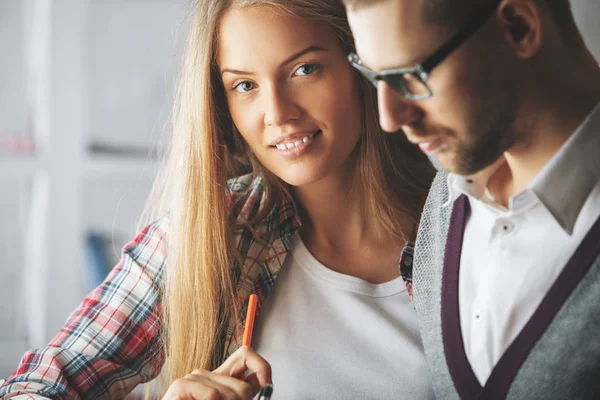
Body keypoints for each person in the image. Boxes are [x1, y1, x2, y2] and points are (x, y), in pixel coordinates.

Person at [0, 1, 437, 399]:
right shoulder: (214, 233)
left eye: (304, 69)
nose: (277, 112)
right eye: (245, 85)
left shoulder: (460, 224)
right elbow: (36, 387)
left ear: (361, 64)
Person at [343, 0, 600, 398]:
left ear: (519, 27)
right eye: (374, 77)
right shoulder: (445, 198)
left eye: (411, 76)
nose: (389, 118)